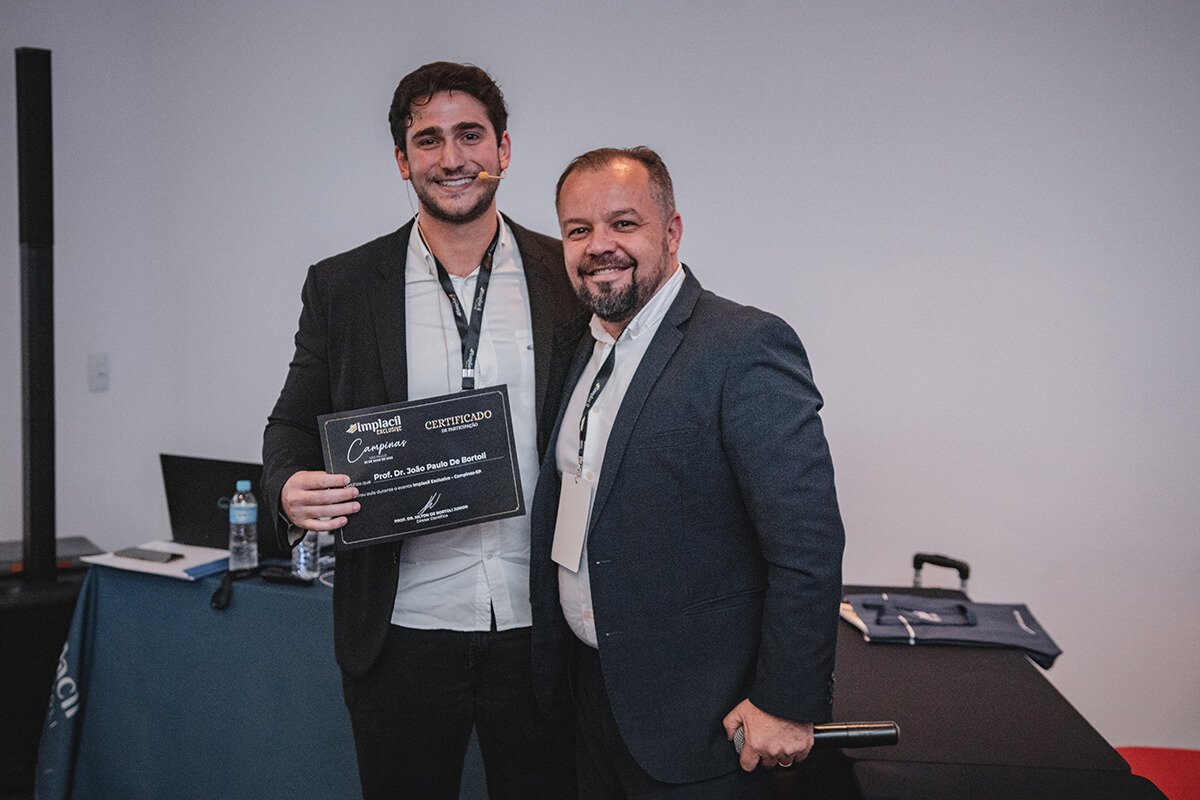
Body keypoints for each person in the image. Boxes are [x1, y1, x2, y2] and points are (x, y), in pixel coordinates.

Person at [262, 62, 585, 800]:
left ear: (504, 149)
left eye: (470, 135)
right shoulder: (343, 286)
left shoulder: (566, 274)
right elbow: (290, 423)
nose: (452, 157)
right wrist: (286, 488)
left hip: (540, 625)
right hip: (400, 626)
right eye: (428, 140)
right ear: (403, 161)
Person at [529, 147, 845, 799]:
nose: (599, 245)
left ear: (671, 232)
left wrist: (786, 702)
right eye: (578, 229)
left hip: (698, 723)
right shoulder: (581, 348)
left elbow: (807, 540)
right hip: (592, 700)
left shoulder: (744, 345)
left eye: (624, 223)